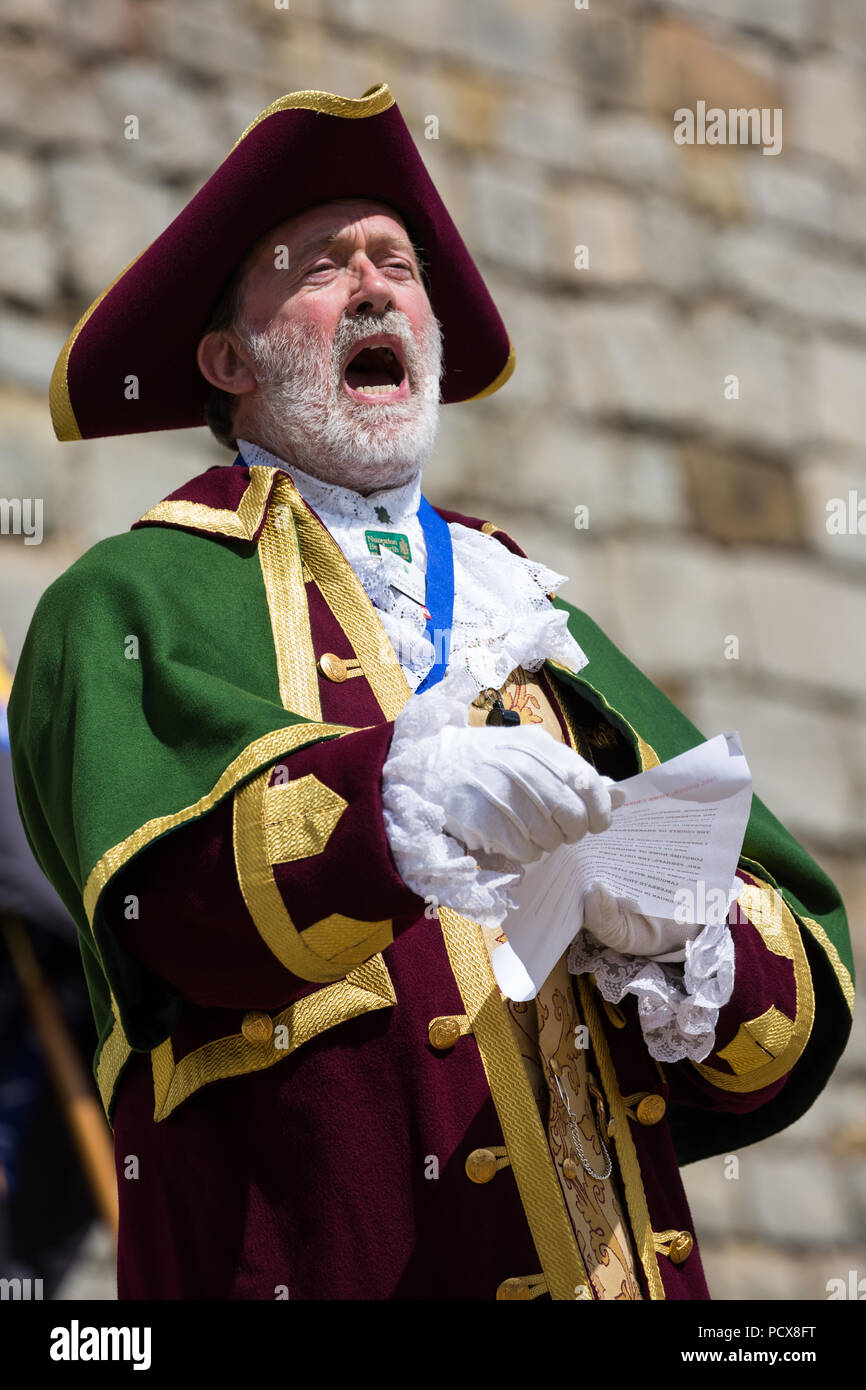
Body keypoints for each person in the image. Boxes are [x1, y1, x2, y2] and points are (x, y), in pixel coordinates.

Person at [8, 84, 853, 1301]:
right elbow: (168, 908)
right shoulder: (131, 597)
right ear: (227, 360)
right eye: (319, 265)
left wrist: (682, 936)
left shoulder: (536, 609)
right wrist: (386, 810)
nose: (372, 286)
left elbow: (785, 1007)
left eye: (395, 263)